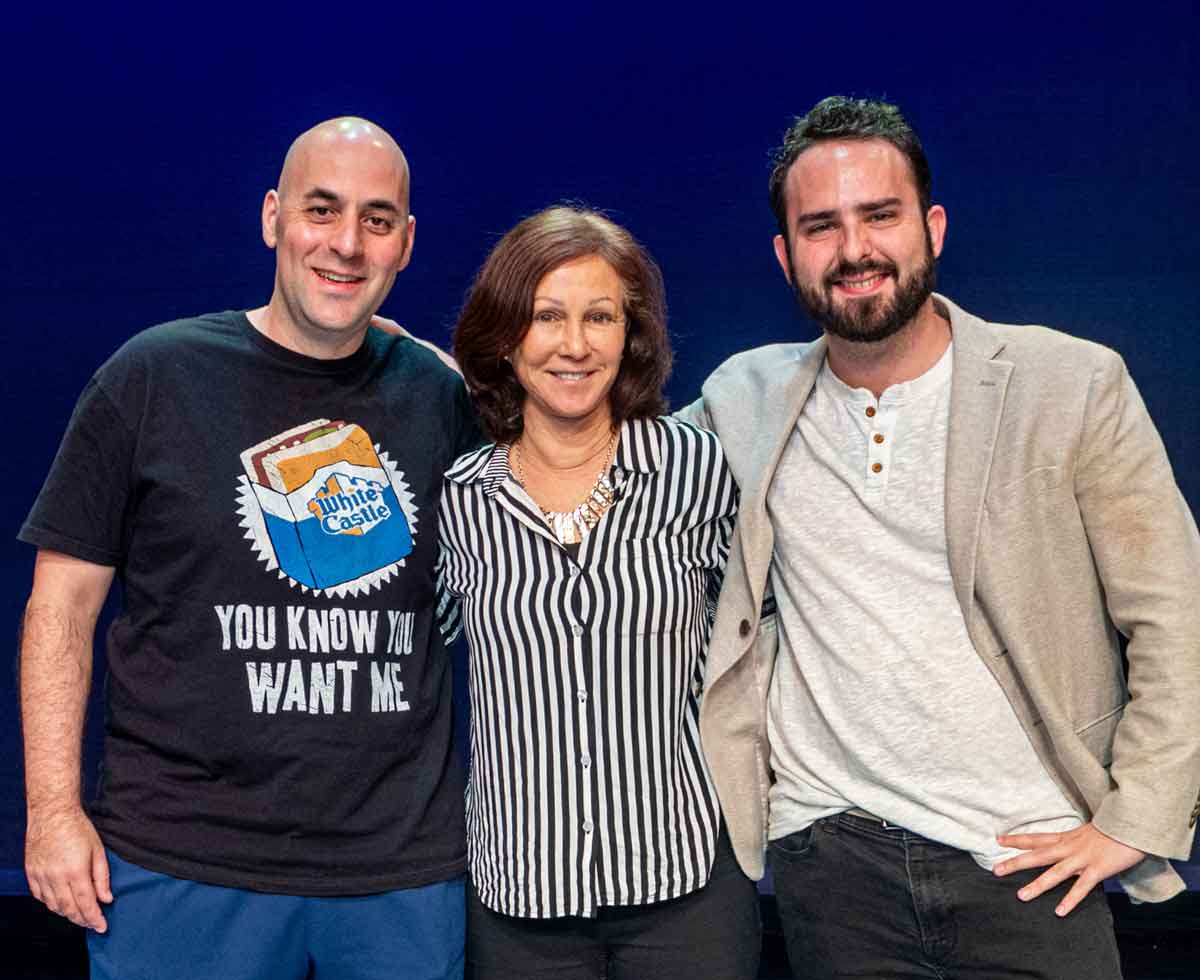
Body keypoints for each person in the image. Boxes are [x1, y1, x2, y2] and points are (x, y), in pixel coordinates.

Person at [680, 96, 1200, 979]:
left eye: (879, 216)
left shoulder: (1070, 383)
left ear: (933, 227)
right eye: (821, 226)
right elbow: (600, 451)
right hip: (833, 861)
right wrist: (421, 363)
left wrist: (1136, 818)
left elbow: (1174, 613)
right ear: (784, 254)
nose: (854, 250)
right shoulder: (746, 398)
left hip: (1033, 861)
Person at [18, 117, 479, 980]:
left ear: (407, 243)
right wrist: (52, 811)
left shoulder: (444, 398)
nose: (346, 243)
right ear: (273, 217)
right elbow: (60, 608)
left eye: (378, 220)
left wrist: (451, 370)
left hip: (398, 873)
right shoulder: (151, 376)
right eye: (321, 209)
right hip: (180, 860)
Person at [436, 205, 761, 980]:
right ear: (506, 334)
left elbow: (762, 640)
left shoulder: (700, 471)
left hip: (686, 889)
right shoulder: (459, 499)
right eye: (546, 316)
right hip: (518, 903)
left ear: (631, 333)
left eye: (600, 316)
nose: (574, 344)